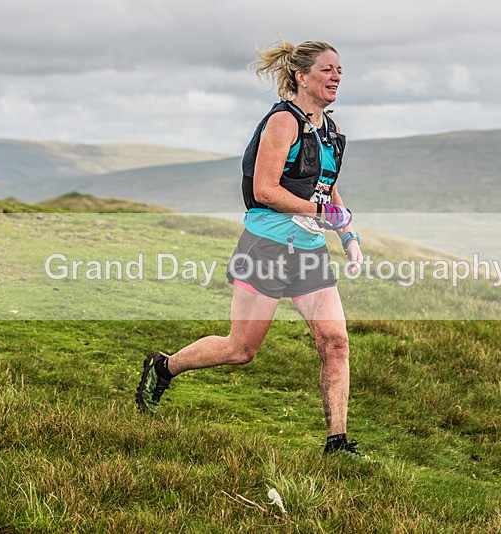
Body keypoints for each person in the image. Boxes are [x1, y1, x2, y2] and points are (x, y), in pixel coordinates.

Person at [136, 40, 367, 458]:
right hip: (267, 247)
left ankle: (337, 443)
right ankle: (163, 367)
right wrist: (320, 210)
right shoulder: (283, 123)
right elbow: (264, 189)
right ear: (302, 77)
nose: (336, 77)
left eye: (340, 71)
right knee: (241, 349)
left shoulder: (329, 131)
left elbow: (328, 190)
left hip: (310, 253)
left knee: (335, 342)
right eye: (328, 70)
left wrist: (348, 235)